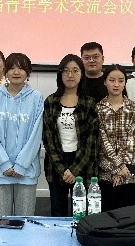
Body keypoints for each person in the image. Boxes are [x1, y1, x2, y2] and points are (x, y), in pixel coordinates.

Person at [0, 52, 44, 216]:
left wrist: (21, 165)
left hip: (26, 172)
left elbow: (36, 134)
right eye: (11, 68)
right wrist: (4, 164)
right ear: (6, 71)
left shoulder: (36, 98)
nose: (16, 72)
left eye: (21, 68)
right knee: (1, 221)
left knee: (24, 222)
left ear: (28, 72)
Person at [42, 54, 99, 216]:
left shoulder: (89, 103)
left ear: (82, 74)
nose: (70, 75)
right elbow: (48, 139)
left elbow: (92, 143)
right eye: (66, 70)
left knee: (81, 214)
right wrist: (63, 169)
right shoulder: (51, 101)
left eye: (75, 70)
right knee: (58, 214)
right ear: (60, 74)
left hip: (82, 164)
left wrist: (74, 170)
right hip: (56, 165)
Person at [96, 64, 135, 211]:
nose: (116, 84)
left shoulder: (134, 108)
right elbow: (102, 141)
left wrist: (124, 170)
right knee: (107, 218)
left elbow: (134, 142)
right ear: (105, 82)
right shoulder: (98, 109)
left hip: (130, 175)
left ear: (125, 83)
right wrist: (117, 167)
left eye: (121, 80)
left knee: (130, 218)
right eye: (112, 80)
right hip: (106, 174)